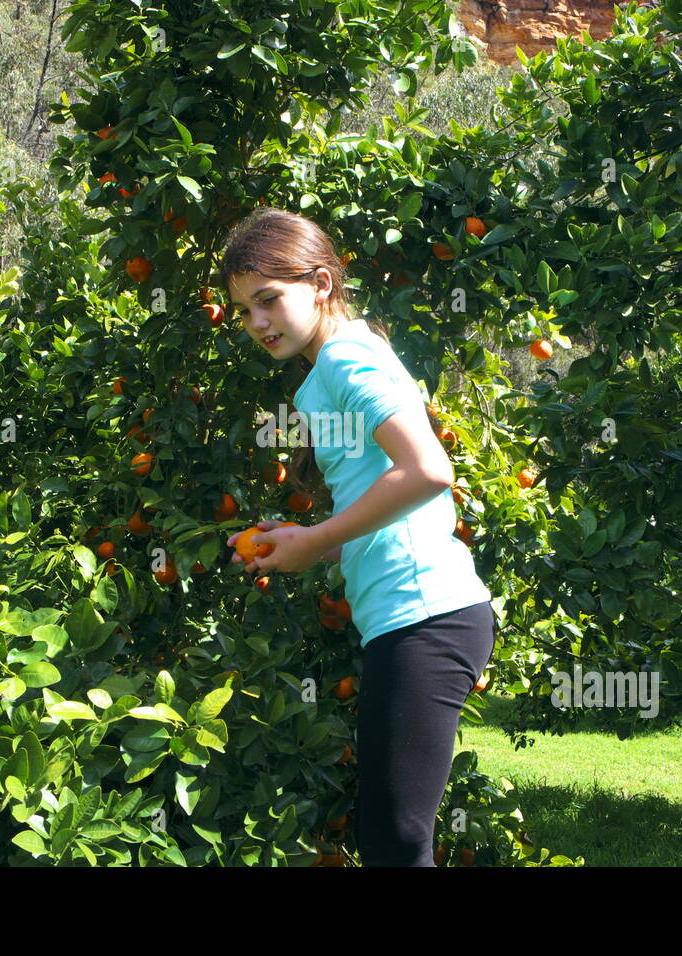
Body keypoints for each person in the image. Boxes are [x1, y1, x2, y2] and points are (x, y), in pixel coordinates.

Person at [219, 207, 496, 867]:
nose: (257, 322)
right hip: (406, 617)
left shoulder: (345, 356)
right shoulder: (333, 367)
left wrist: (314, 543)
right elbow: (388, 500)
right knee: (389, 838)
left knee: (396, 842)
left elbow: (429, 470)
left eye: (268, 300)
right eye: (243, 310)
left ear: (319, 283)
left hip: (428, 613)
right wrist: (309, 535)